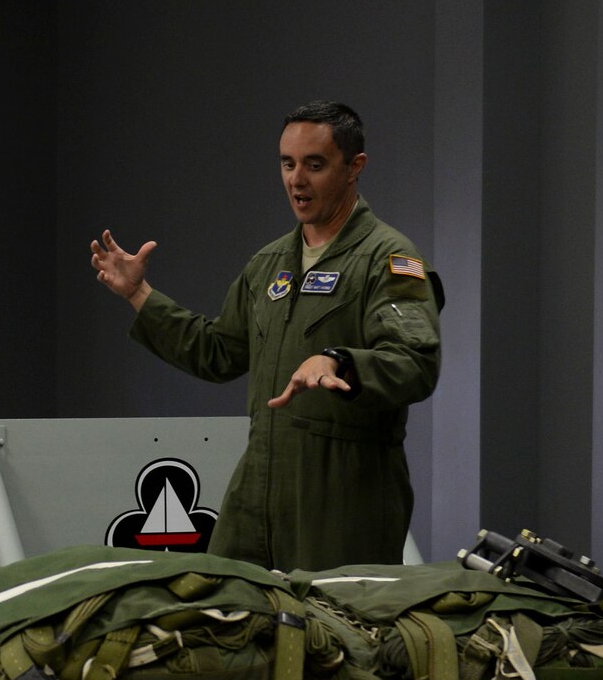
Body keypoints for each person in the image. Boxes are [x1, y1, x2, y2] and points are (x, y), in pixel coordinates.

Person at [90, 100, 441, 572]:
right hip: (259, 486)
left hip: (343, 494)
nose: (297, 180)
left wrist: (339, 360)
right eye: (288, 163)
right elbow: (217, 353)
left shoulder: (389, 258)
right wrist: (139, 295)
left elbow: (416, 362)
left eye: (315, 165)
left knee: (331, 632)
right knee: (227, 611)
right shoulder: (269, 264)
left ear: (355, 167)